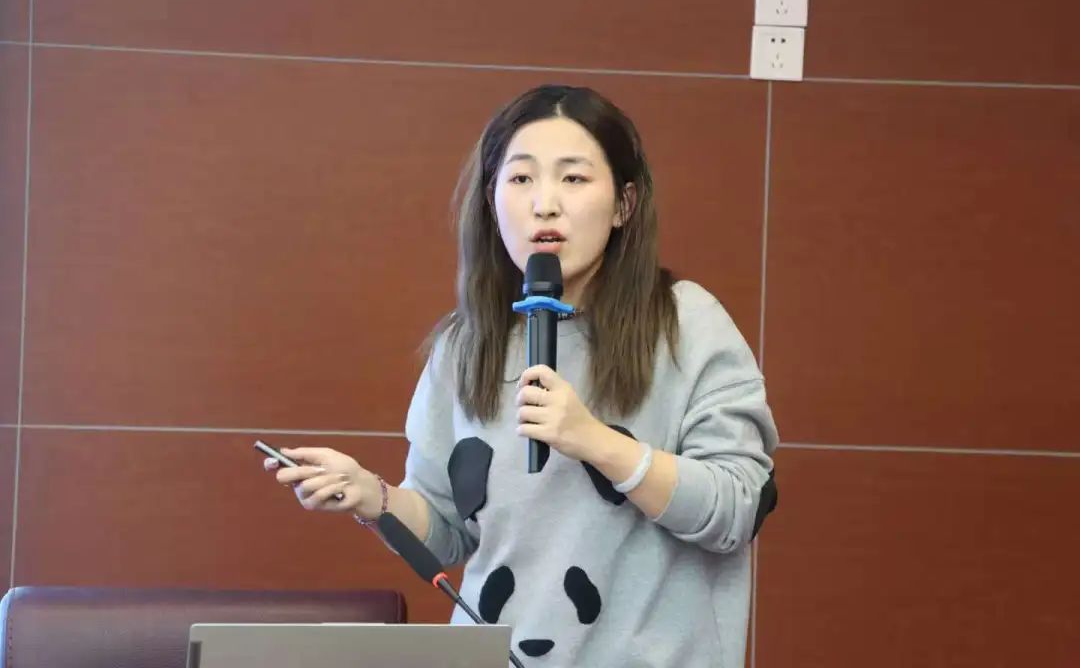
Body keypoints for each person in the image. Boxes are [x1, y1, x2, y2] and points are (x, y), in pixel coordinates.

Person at [263, 84, 779, 667]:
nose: (545, 204)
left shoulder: (687, 323)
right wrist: (372, 496)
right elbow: (449, 534)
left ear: (624, 204)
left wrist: (595, 441)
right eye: (521, 178)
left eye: (574, 178)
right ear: (492, 200)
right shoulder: (465, 345)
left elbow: (737, 509)